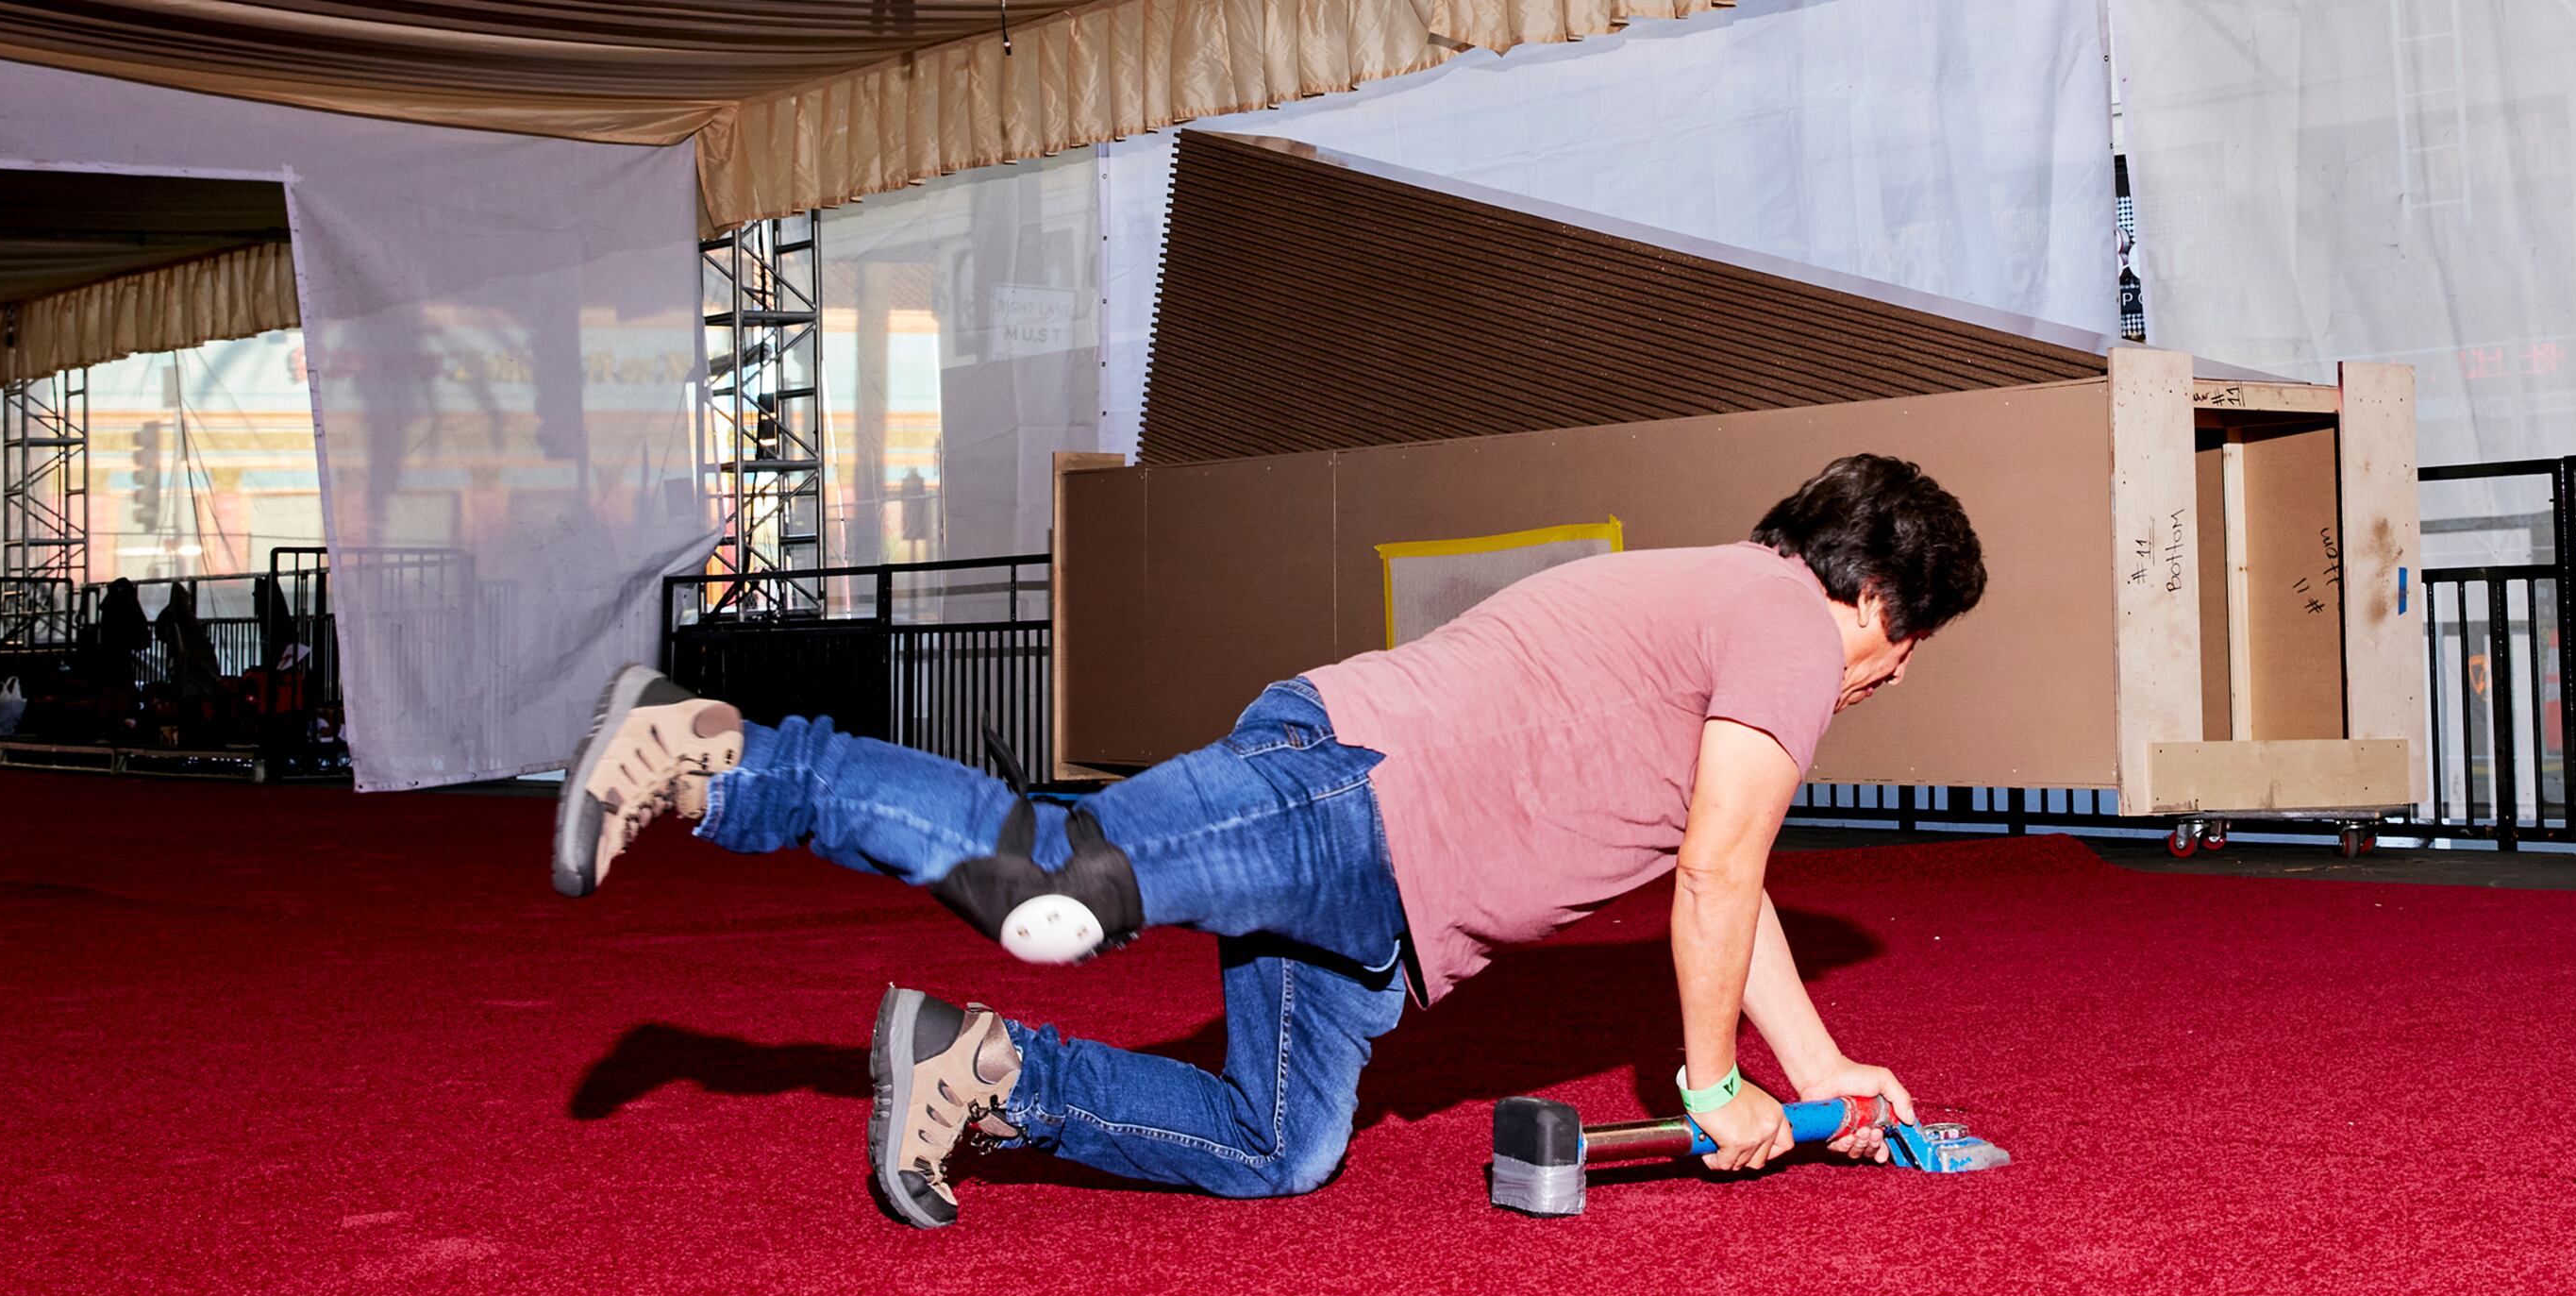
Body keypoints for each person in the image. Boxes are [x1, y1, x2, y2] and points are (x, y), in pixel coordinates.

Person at [551, 452, 1986, 1226]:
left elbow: (1728, 876)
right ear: (1870, 594)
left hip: (1381, 908)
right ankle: (722, 758)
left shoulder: (1722, 610)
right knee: (1058, 885)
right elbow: (1723, 876)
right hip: (1351, 796)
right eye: (1908, 643)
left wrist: (1820, 1070)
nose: (1896, 675)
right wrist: (1716, 1082)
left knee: (1278, 1145)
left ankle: (979, 1072)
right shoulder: (1790, 625)